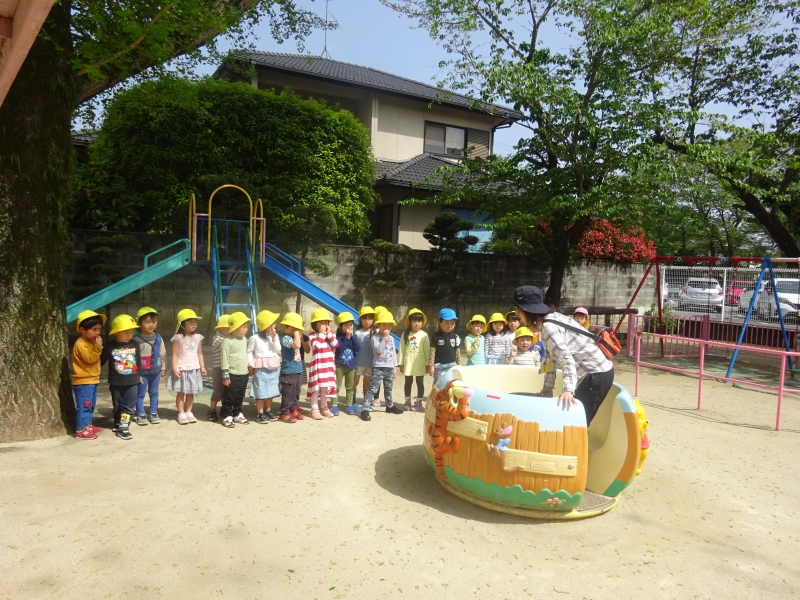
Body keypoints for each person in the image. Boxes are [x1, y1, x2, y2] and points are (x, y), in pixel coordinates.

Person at [512, 286, 614, 425]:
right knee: (572, 421)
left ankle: (579, 439)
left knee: (577, 422)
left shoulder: (548, 327)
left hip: (596, 374)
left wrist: (568, 390)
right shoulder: (549, 319)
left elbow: (566, 358)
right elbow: (550, 358)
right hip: (592, 373)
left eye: (517, 309)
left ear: (527, 310)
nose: (516, 313)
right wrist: (548, 387)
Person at [101, 314, 142, 441]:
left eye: (132, 332)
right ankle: (117, 422)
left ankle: (124, 427)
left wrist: (140, 375)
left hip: (132, 381)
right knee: (117, 405)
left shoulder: (135, 344)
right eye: (126, 332)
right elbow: (100, 361)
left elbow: (138, 361)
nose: (130, 335)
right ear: (117, 332)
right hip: (116, 382)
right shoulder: (109, 346)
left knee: (128, 406)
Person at [361, 309, 404, 421]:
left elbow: (393, 353)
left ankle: (390, 406)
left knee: (389, 388)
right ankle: (365, 408)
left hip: (389, 367)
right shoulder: (375, 337)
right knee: (373, 389)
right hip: (378, 367)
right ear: (378, 325)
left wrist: (394, 367)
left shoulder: (392, 338)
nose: (386, 328)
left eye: (389, 325)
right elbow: (379, 350)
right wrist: (384, 338)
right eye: (383, 325)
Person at [166, 309, 206, 425]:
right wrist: (174, 368)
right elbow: (174, 354)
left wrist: (202, 367)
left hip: (194, 369)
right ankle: (181, 413)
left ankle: (189, 412)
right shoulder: (178, 338)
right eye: (190, 322)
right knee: (181, 392)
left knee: (190, 392)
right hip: (182, 369)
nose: (194, 324)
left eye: (195, 322)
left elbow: (200, 353)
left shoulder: (198, 337)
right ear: (182, 324)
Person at [72, 310, 106, 440]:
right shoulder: (81, 344)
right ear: (82, 330)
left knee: (90, 405)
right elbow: (90, 359)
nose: (97, 332)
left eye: (99, 329)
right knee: (85, 406)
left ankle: (87, 425)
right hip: (83, 382)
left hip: (92, 380)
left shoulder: (91, 341)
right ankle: (81, 430)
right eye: (94, 329)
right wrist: (98, 347)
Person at [133, 307, 166, 426]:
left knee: (154, 392)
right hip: (142, 373)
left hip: (156, 371)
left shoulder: (158, 337)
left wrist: (163, 367)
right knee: (140, 393)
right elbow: (133, 357)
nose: (151, 325)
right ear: (139, 323)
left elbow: (163, 353)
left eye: (154, 321)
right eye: (147, 322)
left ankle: (153, 412)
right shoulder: (136, 340)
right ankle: (140, 413)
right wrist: (135, 372)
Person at [248, 310, 282, 424]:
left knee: (271, 391)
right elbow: (249, 351)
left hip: (273, 368)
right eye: (270, 323)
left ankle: (268, 411)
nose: (273, 326)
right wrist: (250, 364)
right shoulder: (255, 338)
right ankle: (260, 413)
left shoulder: (275, 336)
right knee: (261, 391)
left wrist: (274, 339)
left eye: (274, 323)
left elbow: (278, 349)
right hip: (261, 369)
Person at [221, 311, 252, 428]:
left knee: (240, 395)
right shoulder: (227, 341)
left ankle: (237, 413)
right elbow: (224, 359)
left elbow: (244, 354)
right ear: (234, 328)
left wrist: (248, 366)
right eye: (243, 327)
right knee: (230, 397)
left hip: (243, 373)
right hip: (232, 374)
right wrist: (225, 376)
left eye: (246, 327)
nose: (246, 330)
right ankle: (227, 415)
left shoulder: (244, 339)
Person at [307, 308, 338, 419]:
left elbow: (336, 345)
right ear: (315, 325)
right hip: (317, 366)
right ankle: (314, 409)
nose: (325, 325)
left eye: (326, 323)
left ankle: (324, 407)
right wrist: (321, 334)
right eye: (321, 323)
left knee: (325, 389)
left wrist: (328, 334)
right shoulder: (312, 335)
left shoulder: (331, 334)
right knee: (316, 388)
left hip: (328, 367)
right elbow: (316, 346)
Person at [398, 308, 430, 412]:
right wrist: (401, 363)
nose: (417, 323)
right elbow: (401, 349)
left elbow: (427, 351)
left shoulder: (424, 335)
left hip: (419, 363)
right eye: (414, 321)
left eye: (419, 321)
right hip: (408, 363)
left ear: (422, 322)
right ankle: (407, 401)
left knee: (420, 383)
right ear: (410, 322)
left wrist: (427, 364)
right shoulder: (405, 334)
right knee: (408, 382)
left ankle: (419, 402)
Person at [278, 312, 305, 423]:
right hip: (288, 371)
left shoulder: (292, 337)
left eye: (297, 329)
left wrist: (297, 335)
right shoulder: (284, 338)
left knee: (295, 392)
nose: (295, 331)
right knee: (288, 393)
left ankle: (293, 409)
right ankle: (284, 412)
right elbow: (297, 345)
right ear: (284, 326)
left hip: (296, 370)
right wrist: (297, 335)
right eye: (293, 328)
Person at [335, 311, 362, 415]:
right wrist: (346, 337)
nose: (349, 327)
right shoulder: (338, 337)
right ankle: (334, 405)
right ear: (340, 326)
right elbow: (340, 348)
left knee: (350, 387)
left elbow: (358, 348)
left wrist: (352, 337)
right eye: (346, 325)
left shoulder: (353, 336)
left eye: (351, 325)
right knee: (337, 386)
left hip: (351, 366)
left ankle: (349, 405)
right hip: (339, 365)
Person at [427, 308, 462, 386]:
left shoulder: (455, 336)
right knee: (438, 385)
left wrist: (459, 365)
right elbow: (432, 352)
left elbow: (457, 352)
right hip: (439, 366)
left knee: (452, 385)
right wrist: (431, 366)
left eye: (452, 323)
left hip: (452, 365)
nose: (450, 326)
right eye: (447, 323)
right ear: (440, 322)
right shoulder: (435, 336)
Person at [208, 314, 230, 422]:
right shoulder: (218, 338)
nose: (230, 330)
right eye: (228, 328)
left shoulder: (227, 338)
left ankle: (224, 408)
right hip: (218, 369)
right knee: (218, 391)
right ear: (221, 327)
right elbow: (223, 345)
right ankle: (212, 410)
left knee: (226, 391)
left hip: (227, 369)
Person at [353, 306, 376, 409]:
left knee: (367, 383)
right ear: (360, 320)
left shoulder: (376, 332)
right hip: (359, 362)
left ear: (373, 320)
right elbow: (354, 348)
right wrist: (354, 362)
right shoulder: (357, 333)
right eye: (364, 318)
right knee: (355, 382)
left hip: (370, 363)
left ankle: (366, 402)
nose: (367, 321)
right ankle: (352, 401)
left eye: (370, 318)